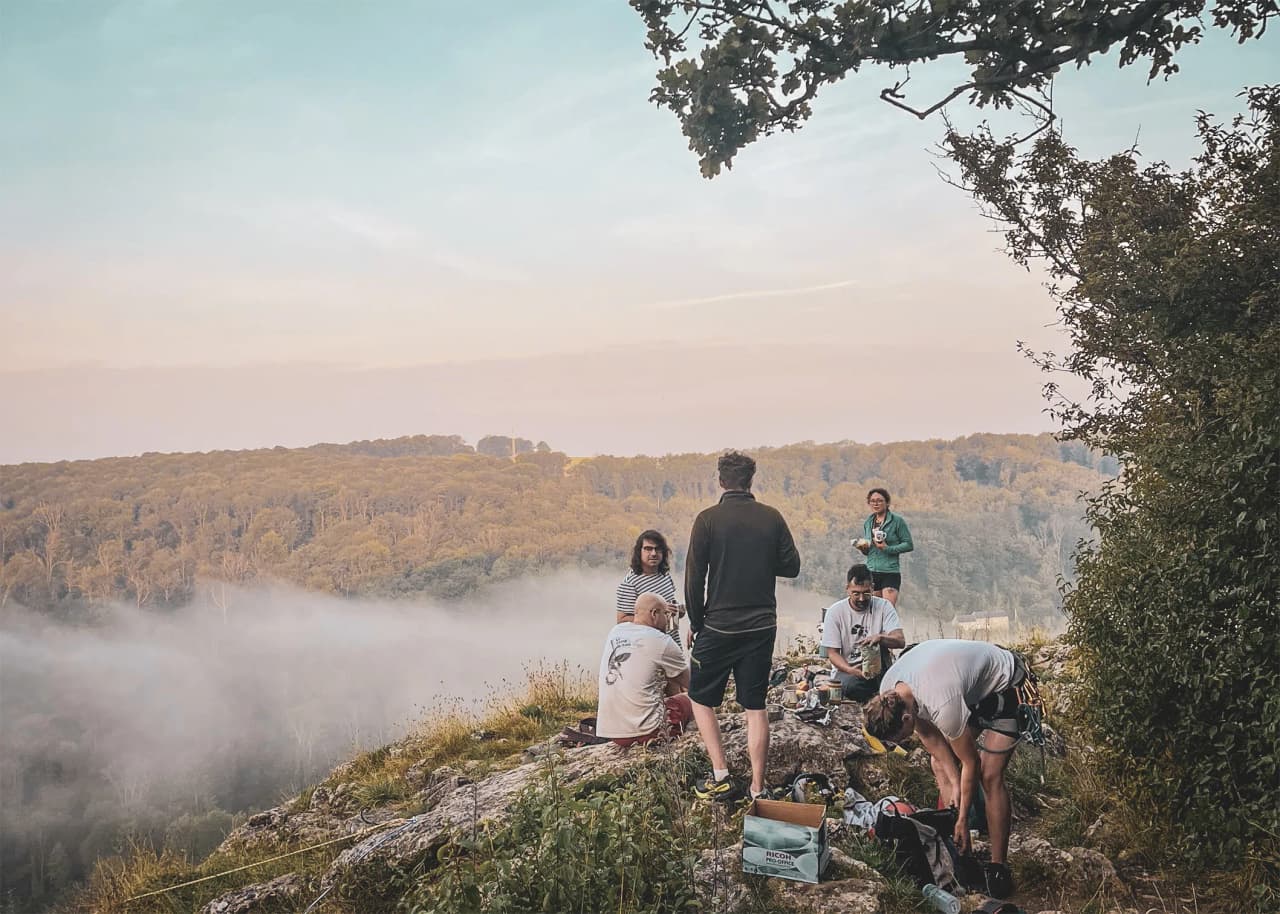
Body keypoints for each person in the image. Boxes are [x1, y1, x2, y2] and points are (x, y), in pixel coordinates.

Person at [862, 639, 1026, 898]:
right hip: (971, 692)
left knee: (989, 775)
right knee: (938, 763)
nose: (903, 742)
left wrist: (963, 817)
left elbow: (971, 762)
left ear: (906, 718)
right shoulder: (889, 693)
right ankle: (960, 850)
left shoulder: (940, 702)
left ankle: (998, 867)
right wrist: (955, 785)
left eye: (901, 737)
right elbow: (931, 739)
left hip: (1007, 683)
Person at [684, 451, 801, 803]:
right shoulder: (771, 517)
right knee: (755, 706)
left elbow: (694, 578)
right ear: (751, 480)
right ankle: (757, 788)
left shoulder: (707, 519)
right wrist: (758, 558)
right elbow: (792, 566)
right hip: (762, 625)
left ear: (721, 480)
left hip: (719, 625)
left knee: (699, 697)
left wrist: (696, 622)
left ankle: (721, 775)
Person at [596, 593, 693, 748]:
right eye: (666, 614)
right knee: (690, 699)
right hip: (648, 732)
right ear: (654, 614)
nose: (668, 619)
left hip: (614, 734)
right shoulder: (662, 641)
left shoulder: (616, 631)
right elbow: (692, 684)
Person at [820, 564, 905, 702]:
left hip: (877, 668)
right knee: (849, 687)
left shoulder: (884, 607)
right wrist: (851, 670)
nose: (861, 598)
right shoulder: (835, 612)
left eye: (866, 593)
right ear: (847, 589)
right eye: (856, 593)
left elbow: (900, 641)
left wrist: (881, 638)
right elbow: (833, 653)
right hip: (849, 669)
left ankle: (880, 692)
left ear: (872, 587)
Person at [615, 530, 682, 640]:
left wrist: (678, 611)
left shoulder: (665, 576)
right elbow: (622, 621)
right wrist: (655, 615)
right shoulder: (630, 583)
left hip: (672, 642)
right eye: (648, 549)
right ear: (639, 552)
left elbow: (671, 616)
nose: (654, 553)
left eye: (658, 549)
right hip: (648, 644)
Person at [856, 487, 913, 606]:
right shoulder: (868, 522)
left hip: (890, 571)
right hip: (871, 570)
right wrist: (863, 549)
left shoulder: (897, 521)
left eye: (880, 500)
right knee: (874, 609)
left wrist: (887, 548)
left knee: (887, 608)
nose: (876, 504)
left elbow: (908, 545)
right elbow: (869, 550)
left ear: (887, 503)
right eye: (872, 501)